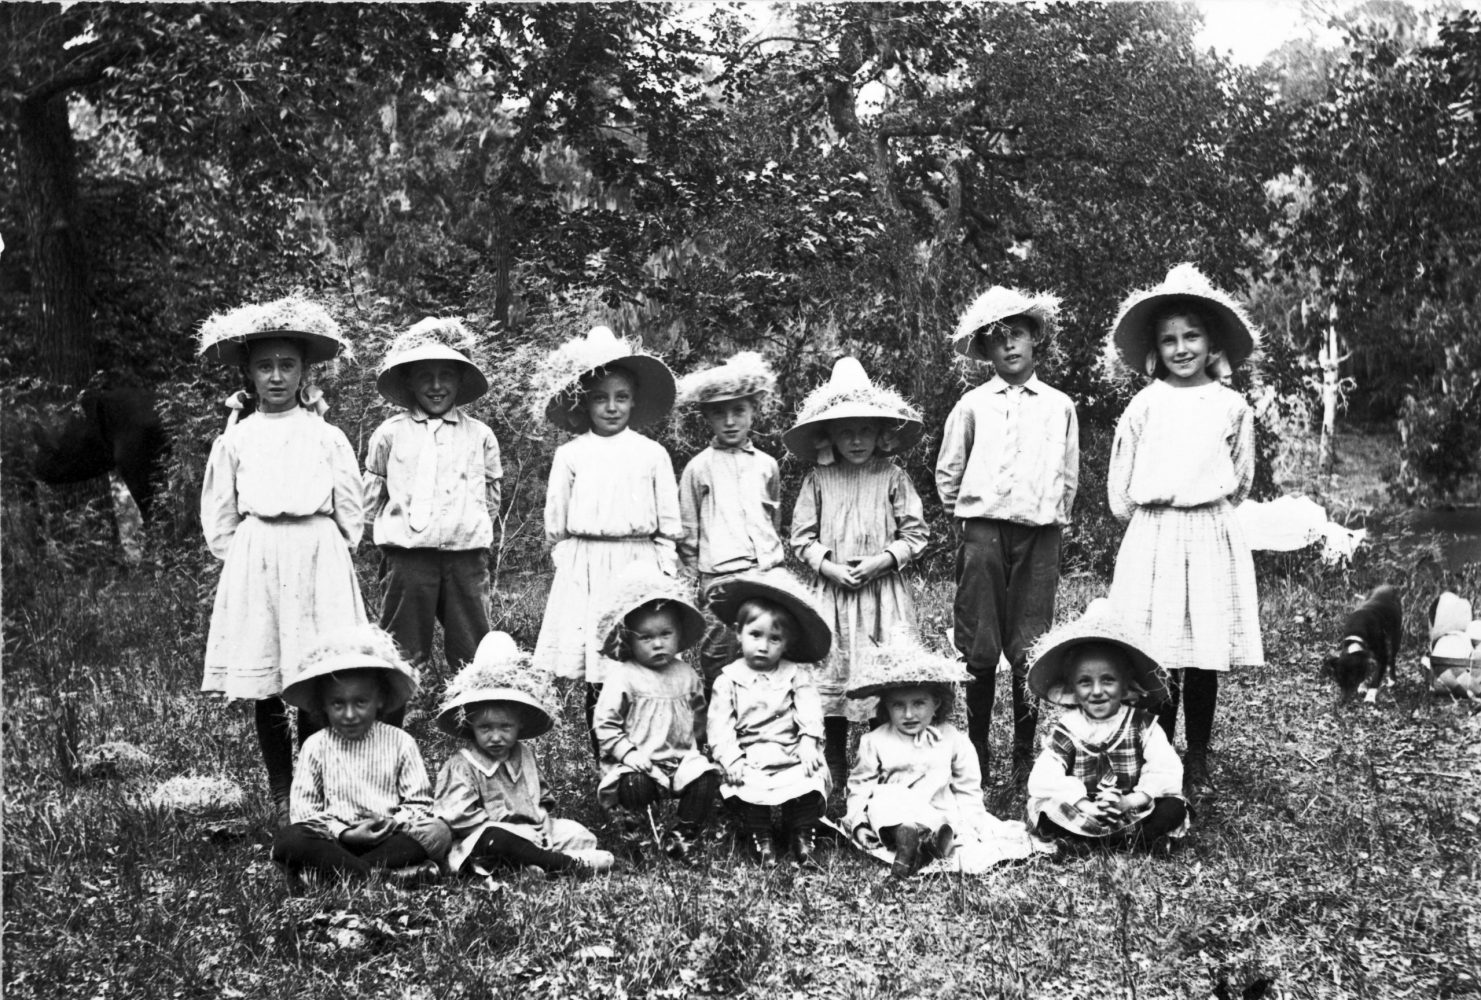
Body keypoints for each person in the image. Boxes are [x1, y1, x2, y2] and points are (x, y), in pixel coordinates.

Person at [197, 294, 367, 825]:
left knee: (317, 673)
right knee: (266, 676)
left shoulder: (326, 435)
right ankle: (281, 786)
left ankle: (318, 783)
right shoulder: (237, 439)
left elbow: (350, 506)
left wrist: (331, 548)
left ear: (303, 372)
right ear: (249, 374)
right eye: (264, 366)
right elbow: (219, 512)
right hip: (259, 556)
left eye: (286, 365)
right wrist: (247, 554)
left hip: (317, 555)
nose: (276, 377)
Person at [1103, 263, 1263, 796]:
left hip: (1209, 532)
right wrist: (1155, 524)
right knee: (1160, 651)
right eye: (1169, 339)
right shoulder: (1145, 405)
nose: (1181, 348)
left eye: (1191, 335)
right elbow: (1120, 486)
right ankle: (1158, 752)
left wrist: (1205, 512)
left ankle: (1199, 755)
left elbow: (1240, 478)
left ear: (1211, 341)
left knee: (1203, 652)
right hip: (1156, 535)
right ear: (1156, 348)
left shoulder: (1231, 407)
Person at [936, 287, 1079, 784]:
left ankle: (1023, 751)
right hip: (983, 533)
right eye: (997, 340)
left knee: (1030, 639)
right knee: (979, 640)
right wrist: (970, 520)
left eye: (1017, 334)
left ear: (1035, 338)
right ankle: (976, 750)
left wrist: (1054, 518)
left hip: (1039, 534)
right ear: (986, 352)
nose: (1009, 346)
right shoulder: (973, 405)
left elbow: (1068, 473)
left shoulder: (1059, 406)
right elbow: (948, 471)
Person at [530, 326, 682, 758]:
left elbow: (668, 524)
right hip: (587, 567)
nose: (611, 407)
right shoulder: (572, 454)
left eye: (621, 397)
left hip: (637, 564)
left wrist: (662, 571)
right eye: (600, 397)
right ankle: (607, 758)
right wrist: (570, 564)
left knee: (638, 661)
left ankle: (648, 753)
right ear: (586, 403)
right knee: (599, 668)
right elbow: (555, 523)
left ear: (634, 401)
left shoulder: (652, 454)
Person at [785, 357, 929, 792]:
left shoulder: (892, 476)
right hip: (832, 596)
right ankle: (832, 771)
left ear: (879, 432)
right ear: (828, 436)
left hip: (881, 595)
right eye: (845, 431)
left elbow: (915, 533)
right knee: (833, 680)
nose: (856, 440)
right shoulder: (819, 479)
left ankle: (878, 772)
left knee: (879, 678)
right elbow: (801, 537)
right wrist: (829, 567)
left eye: (864, 429)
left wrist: (881, 561)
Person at [364, 317, 502, 694]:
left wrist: (468, 530)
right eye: (425, 375)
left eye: (446, 375)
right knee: (400, 647)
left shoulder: (480, 436)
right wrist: (391, 541)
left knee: (472, 647)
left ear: (460, 380)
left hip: (466, 557)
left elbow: (490, 498)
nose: (437, 386)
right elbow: (372, 499)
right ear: (409, 381)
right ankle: (395, 718)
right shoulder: (390, 434)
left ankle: (476, 713)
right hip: (408, 558)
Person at [843, 631, 1035, 878]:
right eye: (898, 705)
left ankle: (928, 844)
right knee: (883, 798)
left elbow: (967, 787)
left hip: (938, 813)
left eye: (919, 703)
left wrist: (972, 823)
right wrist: (858, 822)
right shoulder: (875, 741)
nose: (909, 714)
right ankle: (909, 840)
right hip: (892, 814)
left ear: (936, 703)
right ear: (886, 707)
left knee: (945, 821)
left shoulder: (952, 738)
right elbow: (860, 787)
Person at [270, 625, 449, 888]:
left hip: (389, 840)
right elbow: (305, 813)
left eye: (361, 702)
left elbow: (420, 804)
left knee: (438, 832)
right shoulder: (316, 746)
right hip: (335, 843)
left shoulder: (400, 742)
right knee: (290, 839)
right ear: (323, 705)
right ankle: (381, 877)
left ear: (379, 700)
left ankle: (336, 876)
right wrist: (347, 834)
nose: (350, 714)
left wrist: (392, 821)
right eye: (338, 704)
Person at [432, 632, 614, 877]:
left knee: (578, 833)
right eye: (485, 728)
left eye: (505, 727)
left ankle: (530, 864)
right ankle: (562, 864)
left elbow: (542, 797)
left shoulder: (524, 755)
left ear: (520, 725)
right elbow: (460, 818)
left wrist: (543, 821)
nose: (496, 737)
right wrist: (514, 831)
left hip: (533, 830)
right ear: (470, 725)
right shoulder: (463, 765)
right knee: (495, 841)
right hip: (487, 833)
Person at [1024, 600, 1188, 850]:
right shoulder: (1069, 728)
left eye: (1108, 680)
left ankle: (1109, 841)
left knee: (1174, 807)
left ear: (1126, 685)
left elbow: (1166, 770)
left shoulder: (1143, 726)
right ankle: (1129, 842)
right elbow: (1044, 776)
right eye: (1085, 682)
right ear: (1073, 689)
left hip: (1130, 807)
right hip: (1084, 810)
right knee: (1045, 809)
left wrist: (1129, 801)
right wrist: (1085, 805)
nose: (1097, 691)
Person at [704, 569, 833, 868]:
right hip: (750, 753)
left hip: (789, 750)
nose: (763, 646)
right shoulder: (729, 679)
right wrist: (731, 757)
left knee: (809, 775)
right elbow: (719, 726)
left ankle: (801, 831)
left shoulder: (795, 674)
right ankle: (759, 833)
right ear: (738, 633)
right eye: (755, 635)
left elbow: (809, 708)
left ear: (787, 643)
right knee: (744, 784)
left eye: (774, 639)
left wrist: (808, 741)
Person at [673, 351, 785, 690]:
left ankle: (761, 722)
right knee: (719, 654)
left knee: (764, 648)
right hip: (719, 576)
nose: (731, 421)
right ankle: (720, 721)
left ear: (753, 411)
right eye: (720, 413)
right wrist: (695, 581)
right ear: (707, 416)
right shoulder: (699, 468)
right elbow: (688, 531)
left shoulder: (766, 465)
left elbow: (773, 518)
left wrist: (771, 562)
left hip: (764, 573)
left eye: (739, 410)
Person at [591, 570, 721, 861]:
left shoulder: (686, 675)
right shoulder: (624, 676)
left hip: (680, 755)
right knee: (635, 785)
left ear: (679, 635)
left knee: (706, 778)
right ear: (628, 641)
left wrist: (697, 746)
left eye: (665, 634)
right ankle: (640, 835)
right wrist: (626, 752)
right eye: (646, 637)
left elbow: (699, 714)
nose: (658, 644)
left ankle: (682, 834)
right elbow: (606, 723)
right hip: (640, 759)